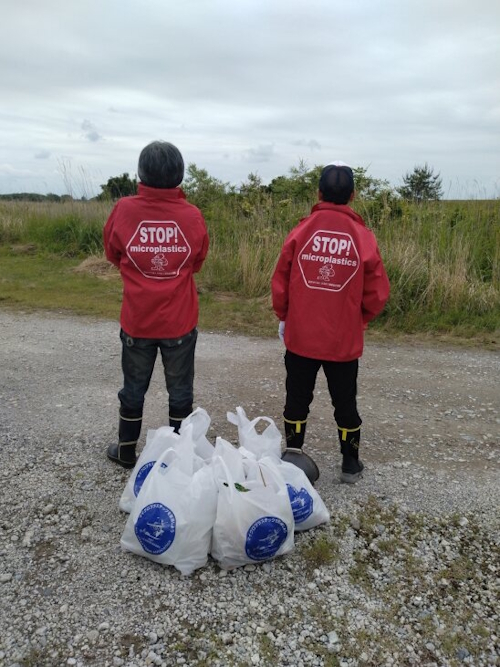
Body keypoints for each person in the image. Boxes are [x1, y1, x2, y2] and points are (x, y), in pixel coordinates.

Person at [271, 161, 390, 484]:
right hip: (343, 340)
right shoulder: (363, 237)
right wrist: (358, 318)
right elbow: (378, 292)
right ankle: (350, 463)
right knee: (345, 402)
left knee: (297, 399)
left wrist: (284, 315)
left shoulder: (301, 231)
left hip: (301, 336)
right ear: (353, 195)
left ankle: (292, 458)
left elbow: (280, 281)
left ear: (319, 193)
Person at [103, 141, 209, 468]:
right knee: (181, 392)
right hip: (180, 322)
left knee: (133, 389)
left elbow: (113, 252)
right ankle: (179, 456)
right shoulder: (191, 215)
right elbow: (197, 260)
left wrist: (141, 270)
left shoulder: (124, 209)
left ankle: (126, 449)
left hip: (137, 321)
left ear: (141, 173)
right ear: (180, 175)